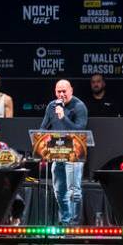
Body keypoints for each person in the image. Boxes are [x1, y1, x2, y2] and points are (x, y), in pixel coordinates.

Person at [39, 79, 89, 225]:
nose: (61, 94)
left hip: (74, 152)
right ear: (55, 91)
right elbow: (43, 127)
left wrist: (63, 117)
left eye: (64, 91)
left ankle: (74, 223)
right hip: (57, 151)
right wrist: (42, 143)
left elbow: (80, 132)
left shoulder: (79, 107)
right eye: (58, 91)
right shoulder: (51, 106)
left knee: (74, 190)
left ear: (71, 91)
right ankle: (65, 220)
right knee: (59, 190)